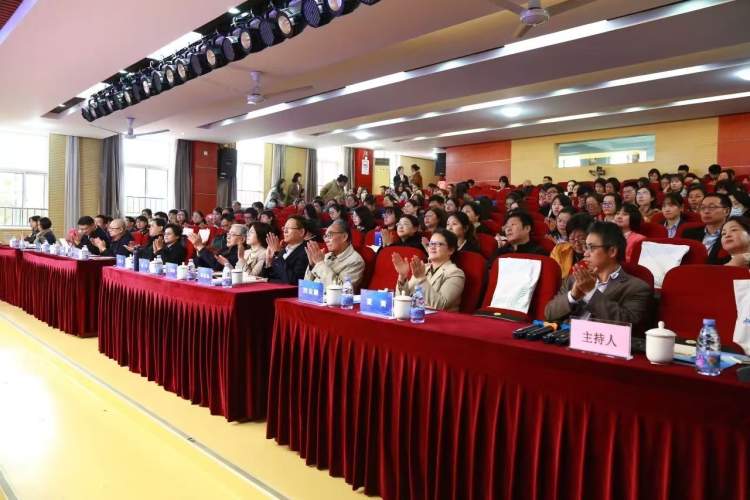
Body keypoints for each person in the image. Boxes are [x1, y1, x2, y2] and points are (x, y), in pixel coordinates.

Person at [545, 221, 652, 333]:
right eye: (586, 247)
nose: (585, 253)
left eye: (591, 248)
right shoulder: (575, 279)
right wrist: (573, 295)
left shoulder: (636, 287)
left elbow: (629, 325)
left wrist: (591, 292)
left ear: (612, 251)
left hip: (602, 341)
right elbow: (549, 314)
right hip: (565, 338)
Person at [393, 229, 465, 312]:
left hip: (440, 318)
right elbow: (404, 298)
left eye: (438, 244)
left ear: (451, 250)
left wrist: (421, 278)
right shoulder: (423, 267)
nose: (432, 247)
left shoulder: (455, 273)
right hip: (415, 315)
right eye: (431, 243)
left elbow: (441, 305)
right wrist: (402, 276)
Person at [304, 219, 365, 290]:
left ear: (344, 237)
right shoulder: (326, 256)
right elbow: (306, 286)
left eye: (329, 235)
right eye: (325, 236)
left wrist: (320, 263)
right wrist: (312, 266)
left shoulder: (355, 261)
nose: (326, 240)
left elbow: (341, 289)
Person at [682, 193, 731, 265]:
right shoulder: (688, 233)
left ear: (726, 211)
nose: (706, 211)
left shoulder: (732, 236)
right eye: (702, 207)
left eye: (712, 207)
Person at [262, 215, 310, 284]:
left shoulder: (306, 252)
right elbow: (268, 277)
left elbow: (292, 281)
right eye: (284, 228)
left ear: (301, 232)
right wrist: (268, 262)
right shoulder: (283, 250)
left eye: (288, 228)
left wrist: (277, 254)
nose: (285, 231)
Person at [550, 213, 594, 278]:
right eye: (572, 239)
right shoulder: (559, 250)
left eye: (582, 239)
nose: (577, 244)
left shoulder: (597, 255)